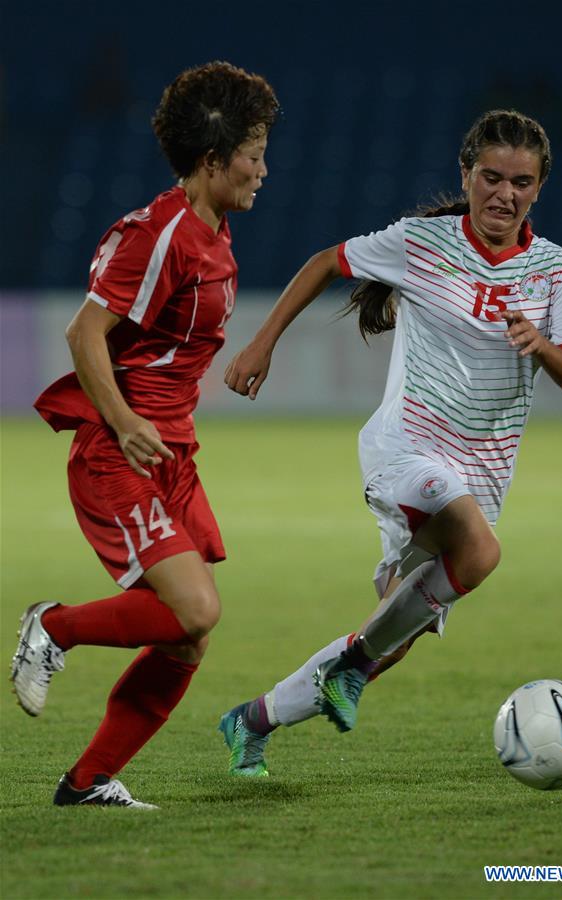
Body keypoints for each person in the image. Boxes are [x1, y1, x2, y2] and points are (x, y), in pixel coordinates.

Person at [218, 109, 562, 777]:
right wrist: (260, 343)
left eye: (521, 182)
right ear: (466, 174)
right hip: (406, 451)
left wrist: (541, 346)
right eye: (491, 177)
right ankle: (355, 667)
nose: (504, 194)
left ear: (539, 188)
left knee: (391, 634)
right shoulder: (420, 243)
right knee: (478, 552)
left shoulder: (559, 274)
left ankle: (254, 719)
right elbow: (325, 262)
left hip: (481, 480)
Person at [10, 61, 280, 807]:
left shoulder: (214, 232)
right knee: (195, 609)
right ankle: (53, 626)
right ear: (210, 161)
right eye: (252, 155)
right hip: (117, 450)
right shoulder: (161, 234)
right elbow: (84, 331)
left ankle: (88, 781)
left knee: (187, 636)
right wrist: (126, 422)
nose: (263, 169)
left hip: (171, 453)